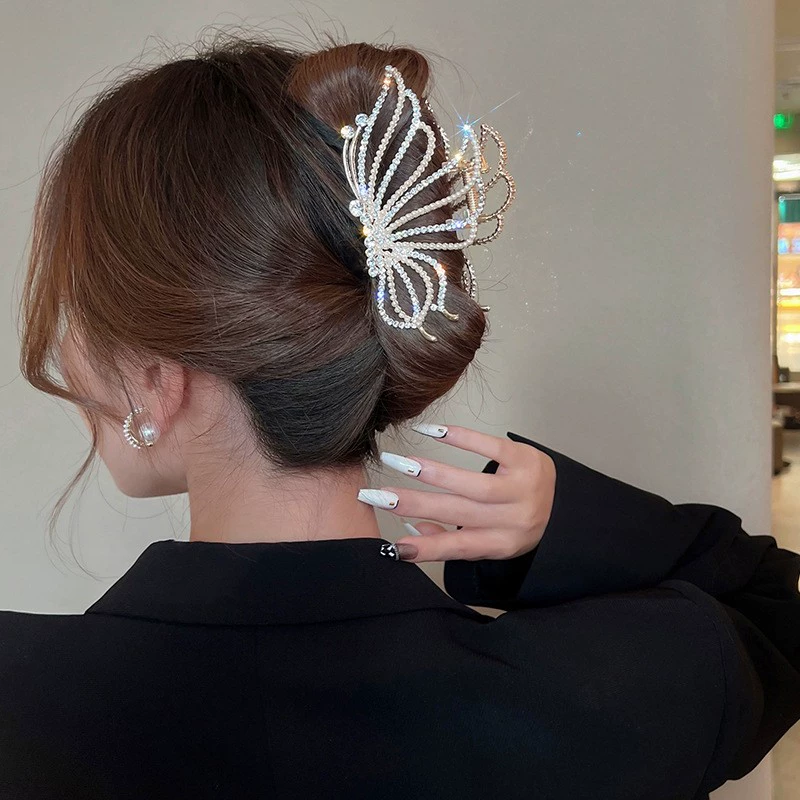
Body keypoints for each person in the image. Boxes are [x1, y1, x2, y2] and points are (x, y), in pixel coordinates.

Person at [2, 33, 798, 800]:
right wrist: (564, 523)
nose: (66, 356)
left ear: (156, 378)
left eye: (76, 313)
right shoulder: (616, 700)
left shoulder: (25, 709)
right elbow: (772, 602)